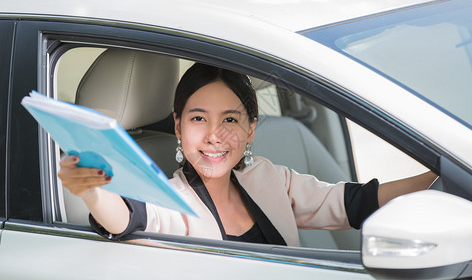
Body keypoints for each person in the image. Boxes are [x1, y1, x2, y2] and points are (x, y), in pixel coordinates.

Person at [59, 63, 437, 246]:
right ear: (177, 125)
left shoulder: (271, 179)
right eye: (197, 118)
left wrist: (441, 179)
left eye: (230, 119)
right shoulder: (170, 200)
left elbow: (354, 202)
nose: (214, 135)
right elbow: (124, 219)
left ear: (251, 128)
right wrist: (91, 189)